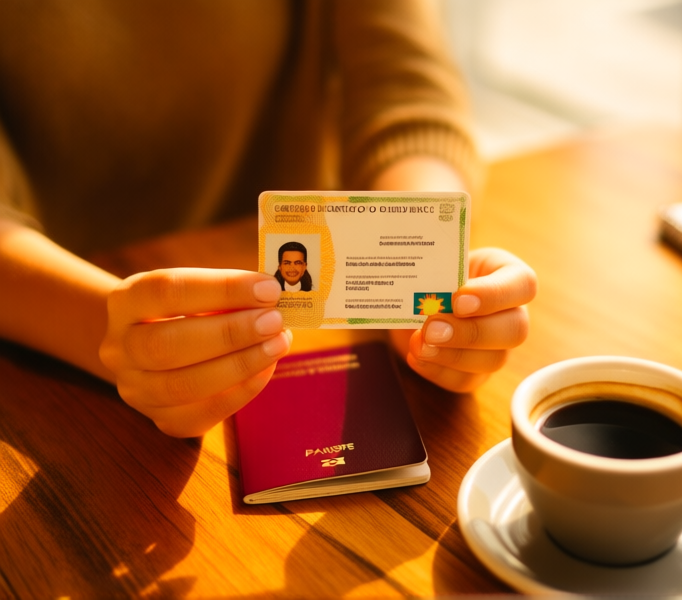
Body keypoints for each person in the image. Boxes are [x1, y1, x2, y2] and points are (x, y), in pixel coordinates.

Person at [0, 1, 537, 438]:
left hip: (312, 336)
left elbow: (407, 88)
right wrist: (106, 328)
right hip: (52, 355)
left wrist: (423, 261)